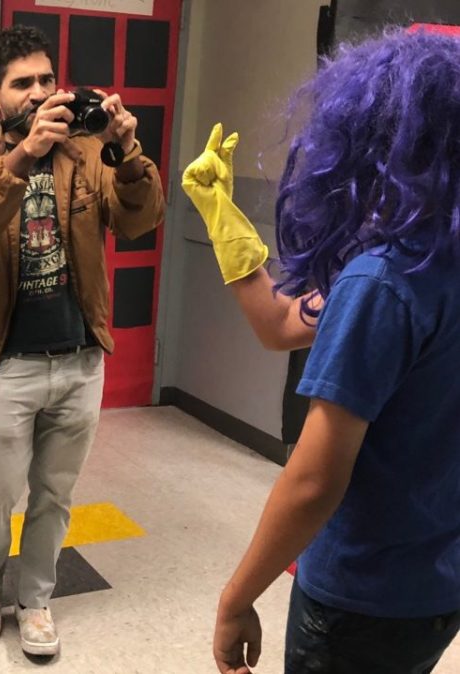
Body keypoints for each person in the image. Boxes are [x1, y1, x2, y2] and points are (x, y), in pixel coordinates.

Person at [182, 29, 460, 674]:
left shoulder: (384, 281)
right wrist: (220, 215)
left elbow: (313, 481)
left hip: (360, 592)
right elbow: (283, 322)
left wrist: (235, 597)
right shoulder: (430, 263)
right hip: (436, 584)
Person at [0, 25, 165, 656]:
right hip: (4, 363)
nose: (38, 93)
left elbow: (140, 220)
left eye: (46, 79)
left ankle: (35, 598)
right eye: (22, 83)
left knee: (55, 496)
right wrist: (21, 156)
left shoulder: (87, 153)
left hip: (78, 359)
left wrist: (127, 149)